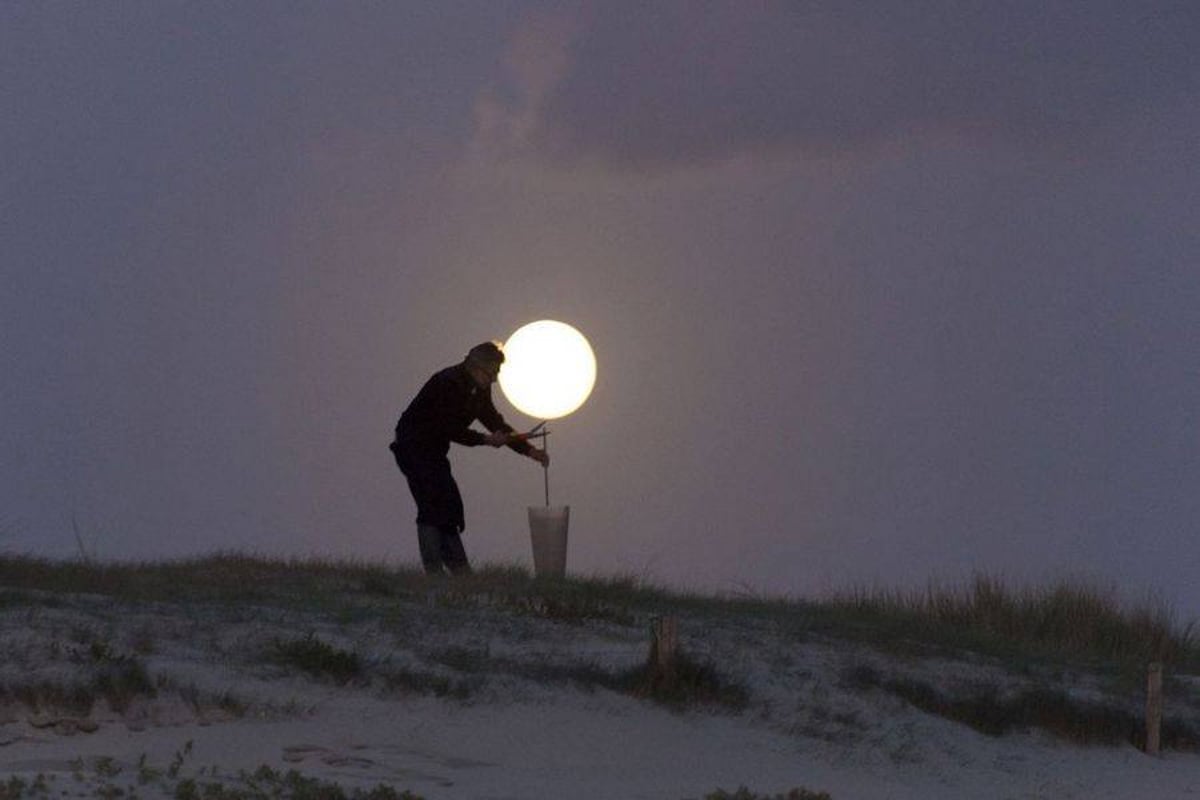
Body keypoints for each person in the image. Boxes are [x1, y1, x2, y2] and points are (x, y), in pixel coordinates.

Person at [390, 341, 549, 575]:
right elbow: (448, 428)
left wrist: (529, 451)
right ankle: (435, 574)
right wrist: (485, 440)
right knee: (432, 504)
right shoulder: (447, 382)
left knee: (450, 505)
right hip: (412, 447)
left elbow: (495, 422)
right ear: (476, 367)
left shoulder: (480, 389)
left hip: (434, 451)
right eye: (493, 372)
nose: (495, 379)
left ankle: (461, 573)